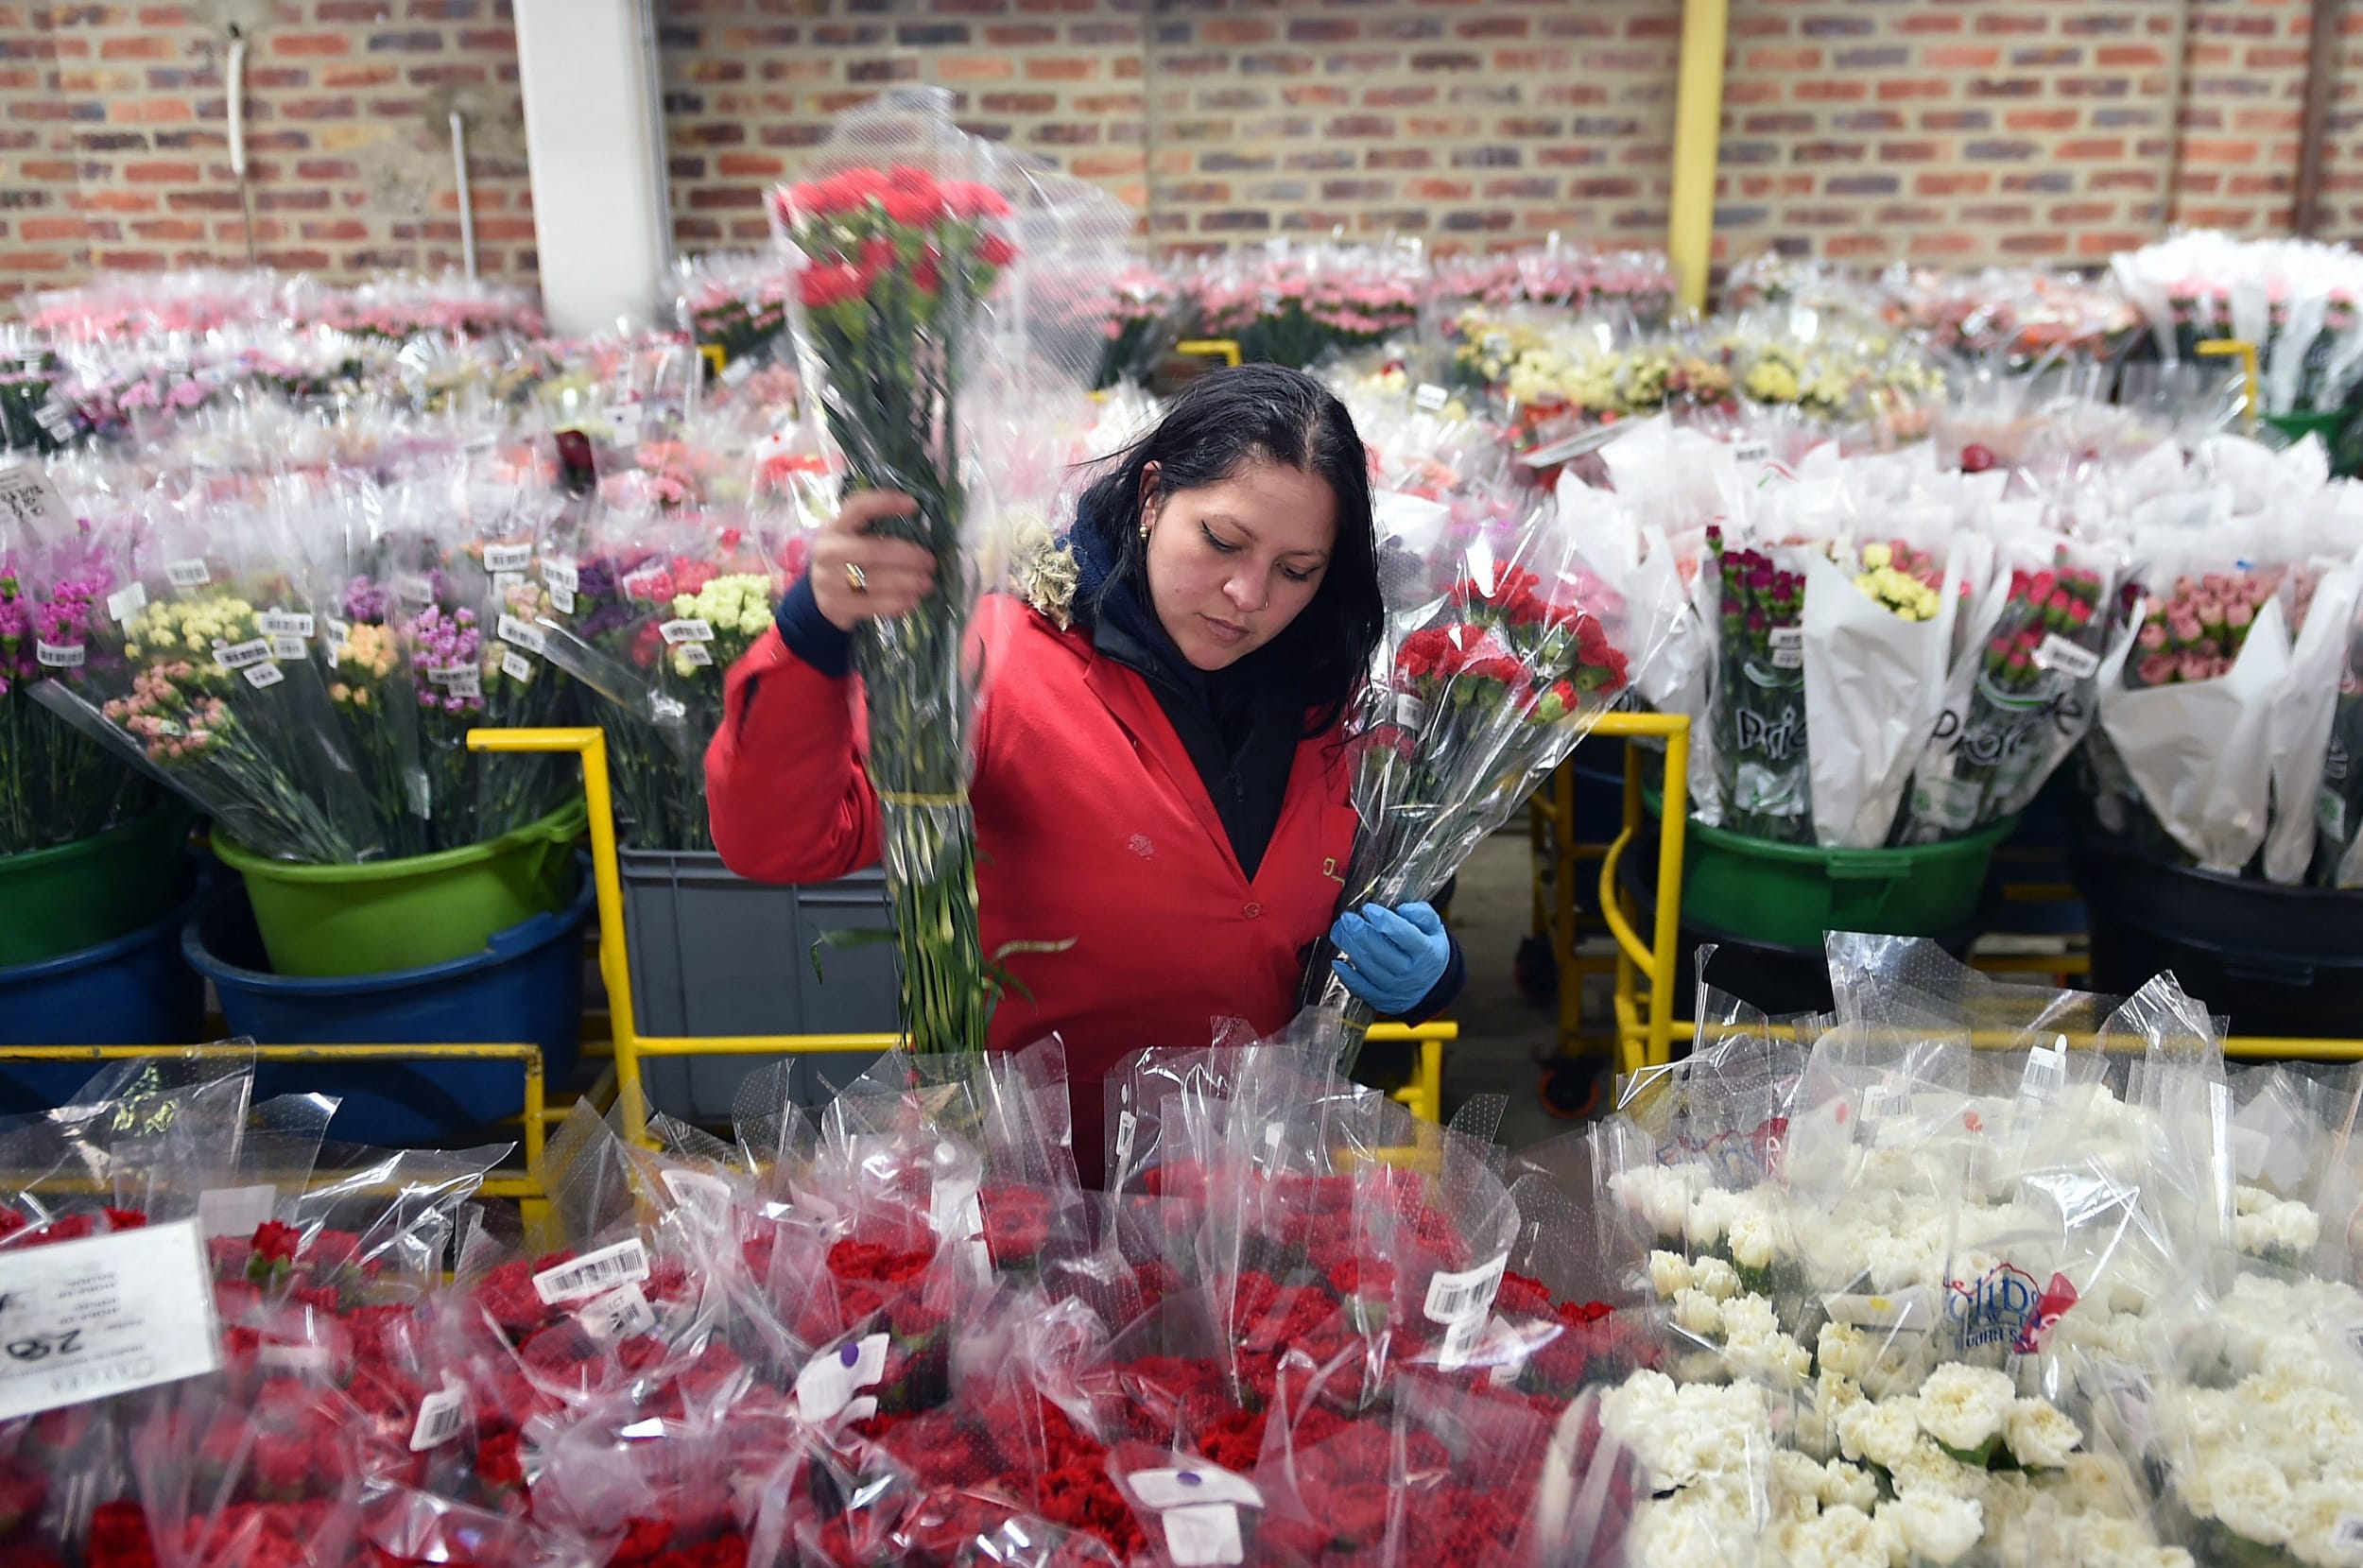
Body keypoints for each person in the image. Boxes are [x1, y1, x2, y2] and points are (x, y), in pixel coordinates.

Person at [705, 365, 1464, 1183]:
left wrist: (1430, 973)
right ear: (1150, 497)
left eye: (1296, 570)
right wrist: (816, 629)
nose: (1247, 594)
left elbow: (1369, 908)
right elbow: (779, 841)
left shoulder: (1340, 710)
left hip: (1241, 1197)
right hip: (1029, 1195)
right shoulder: (1003, 666)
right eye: (1221, 541)